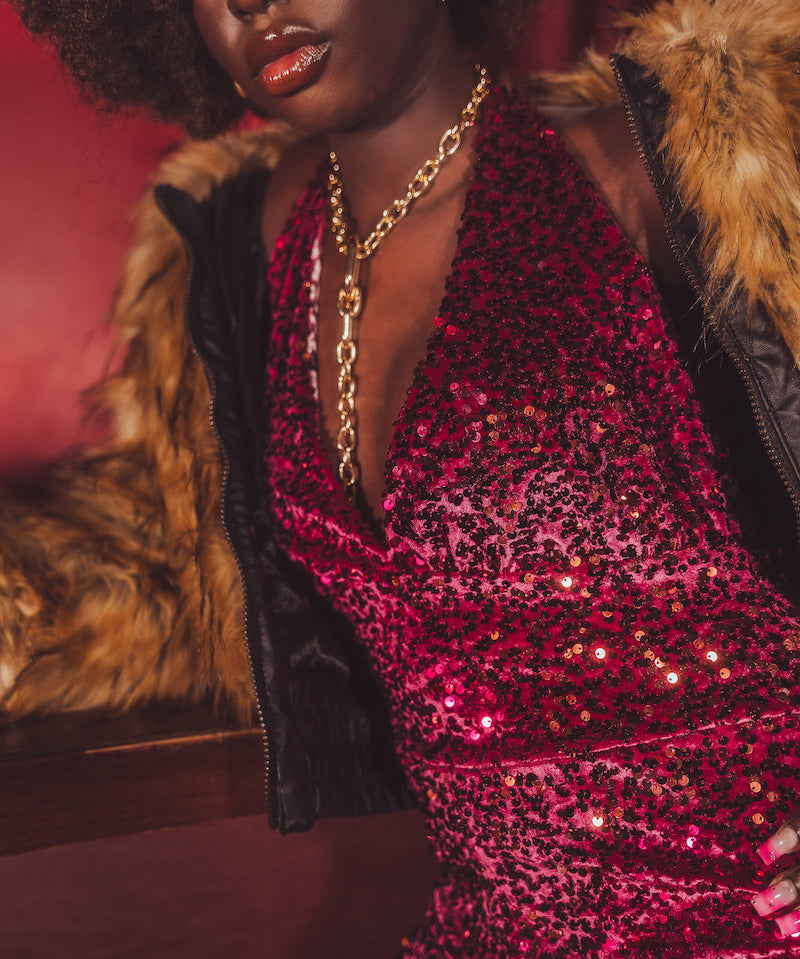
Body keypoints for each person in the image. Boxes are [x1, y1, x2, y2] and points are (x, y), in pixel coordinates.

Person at [3, 0, 800, 953]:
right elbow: (175, 565)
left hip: (748, 916)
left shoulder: (648, 164)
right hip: (480, 926)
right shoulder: (251, 237)